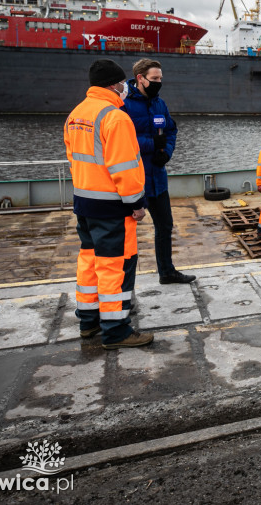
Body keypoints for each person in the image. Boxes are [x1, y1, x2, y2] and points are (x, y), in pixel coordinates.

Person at [64, 60, 152, 350]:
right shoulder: (115, 117)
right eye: (122, 83)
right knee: (115, 266)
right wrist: (136, 203)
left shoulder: (76, 114)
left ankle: (88, 322)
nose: (124, 87)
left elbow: (74, 159)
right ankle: (116, 330)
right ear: (115, 84)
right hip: (112, 207)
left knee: (89, 262)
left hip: (84, 204)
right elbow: (124, 168)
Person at [121, 58, 194, 285]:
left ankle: (167, 272)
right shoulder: (124, 105)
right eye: (154, 79)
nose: (159, 83)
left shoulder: (159, 104)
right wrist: (153, 143)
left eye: (160, 78)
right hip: (134, 178)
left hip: (157, 177)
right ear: (140, 79)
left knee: (165, 225)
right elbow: (121, 141)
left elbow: (171, 131)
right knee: (126, 234)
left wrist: (167, 152)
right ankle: (122, 286)